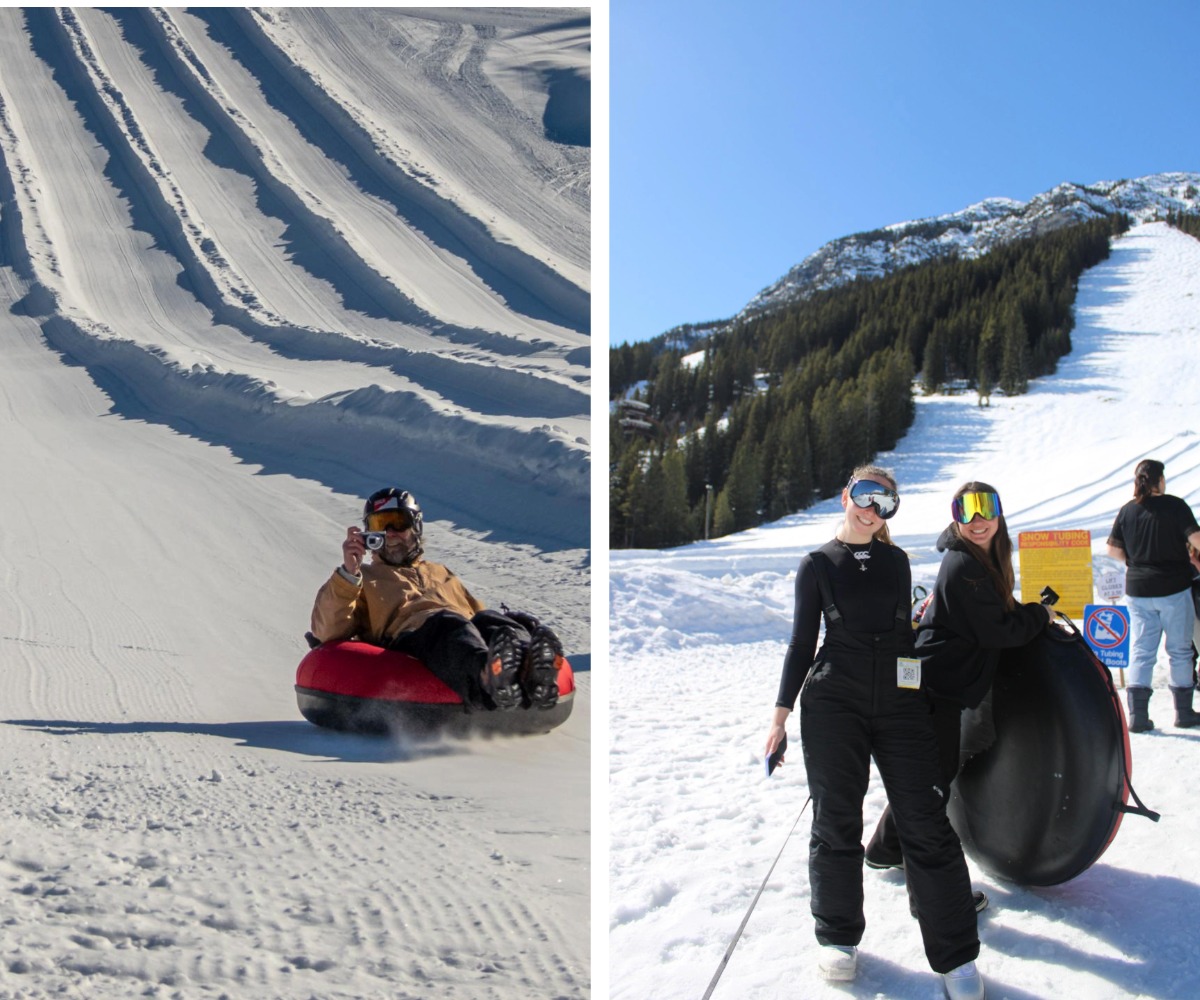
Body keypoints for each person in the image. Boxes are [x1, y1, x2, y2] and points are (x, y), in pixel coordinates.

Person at [764, 466, 984, 1000]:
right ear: (846, 495)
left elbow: (907, 636)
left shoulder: (897, 561)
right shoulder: (816, 565)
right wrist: (779, 717)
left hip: (898, 701)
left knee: (925, 820)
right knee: (836, 819)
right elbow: (800, 645)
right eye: (866, 497)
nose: (872, 510)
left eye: (885, 504)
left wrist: (924, 693)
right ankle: (837, 939)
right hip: (833, 700)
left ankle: (955, 956)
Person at [864, 482, 1054, 885]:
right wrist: (1040, 616)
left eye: (986, 508)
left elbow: (998, 611)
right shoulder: (964, 564)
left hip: (944, 685)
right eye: (966, 511)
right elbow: (997, 628)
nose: (978, 520)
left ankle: (885, 849)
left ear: (999, 513)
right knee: (932, 778)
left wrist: (1028, 612)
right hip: (934, 684)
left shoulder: (983, 560)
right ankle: (914, 866)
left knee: (933, 772)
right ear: (956, 518)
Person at [309, 487, 563, 712]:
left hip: (458, 635)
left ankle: (532, 673)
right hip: (415, 639)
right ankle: (487, 679)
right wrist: (349, 573)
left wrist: (508, 630)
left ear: (416, 527)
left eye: (398, 522)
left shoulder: (440, 571)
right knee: (448, 623)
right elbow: (329, 631)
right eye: (380, 525)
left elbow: (478, 618)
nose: (391, 533)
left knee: (489, 619)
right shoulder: (361, 577)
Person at [1106, 458, 1200, 732]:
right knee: (1180, 650)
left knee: (1142, 650)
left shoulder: (1127, 511)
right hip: (1173, 588)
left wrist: (1137, 563)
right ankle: (1184, 713)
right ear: (1159, 480)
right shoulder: (1175, 506)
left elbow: (1113, 550)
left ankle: (1138, 717)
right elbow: (1196, 539)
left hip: (1137, 590)